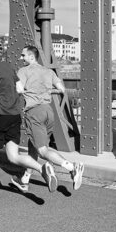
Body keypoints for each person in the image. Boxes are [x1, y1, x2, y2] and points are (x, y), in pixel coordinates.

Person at [0, 33, 57, 207]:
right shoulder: (9, 67)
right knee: (13, 156)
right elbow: (20, 89)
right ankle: (42, 168)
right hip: (14, 116)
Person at [12, 45, 83, 193]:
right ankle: (25, 179)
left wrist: (24, 92)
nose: (21, 58)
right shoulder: (48, 71)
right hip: (48, 112)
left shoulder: (23, 71)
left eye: (23, 55)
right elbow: (62, 89)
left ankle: (72, 168)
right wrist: (47, 90)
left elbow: (19, 90)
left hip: (34, 112)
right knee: (35, 146)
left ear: (32, 57)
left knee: (43, 150)